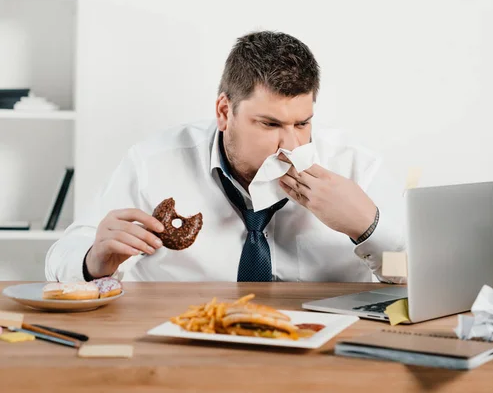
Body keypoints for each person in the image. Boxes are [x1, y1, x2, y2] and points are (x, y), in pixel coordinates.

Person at [45, 31, 405, 283]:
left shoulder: (357, 165)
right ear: (223, 110)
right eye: (269, 124)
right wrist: (94, 259)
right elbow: (59, 260)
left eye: (303, 123)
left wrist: (367, 227)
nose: (291, 146)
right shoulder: (153, 162)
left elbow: (420, 280)